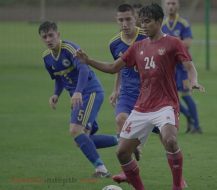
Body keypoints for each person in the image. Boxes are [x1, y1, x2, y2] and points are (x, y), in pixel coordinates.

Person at [76, 3, 204, 190]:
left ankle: (177, 184)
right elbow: (113, 68)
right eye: (142, 21)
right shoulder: (137, 47)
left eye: (148, 21)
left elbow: (189, 66)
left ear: (159, 22)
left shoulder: (173, 42)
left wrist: (193, 81)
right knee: (121, 152)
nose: (143, 25)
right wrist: (88, 61)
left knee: (170, 139)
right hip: (142, 107)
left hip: (165, 104)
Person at [38, 21, 118, 178]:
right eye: (44, 37)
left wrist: (78, 91)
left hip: (90, 92)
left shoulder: (69, 48)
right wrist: (56, 94)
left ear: (58, 35)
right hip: (79, 97)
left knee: (75, 130)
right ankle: (123, 141)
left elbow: (83, 69)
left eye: (51, 35)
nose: (48, 39)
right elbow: (59, 77)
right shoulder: (47, 57)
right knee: (80, 139)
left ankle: (101, 169)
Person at [108, 3, 149, 183]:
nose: (125, 23)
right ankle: (127, 170)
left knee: (166, 137)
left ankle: (178, 178)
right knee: (120, 119)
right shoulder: (114, 43)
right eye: (121, 20)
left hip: (149, 94)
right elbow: (118, 67)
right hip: (127, 92)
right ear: (116, 20)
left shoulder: (147, 37)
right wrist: (116, 89)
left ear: (136, 19)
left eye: (128, 19)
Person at [162, 0, 202, 133]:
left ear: (178, 5)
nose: (171, 6)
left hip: (182, 65)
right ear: (165, 5)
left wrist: (170, 45)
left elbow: (188, 43)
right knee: (169, 96)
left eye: (173, 3)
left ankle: (197, 125)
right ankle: (189, 116)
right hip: (168, 66)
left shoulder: (183, 23)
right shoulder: (161, 23)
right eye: (168, 3)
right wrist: (177, 43)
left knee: (185, 94)